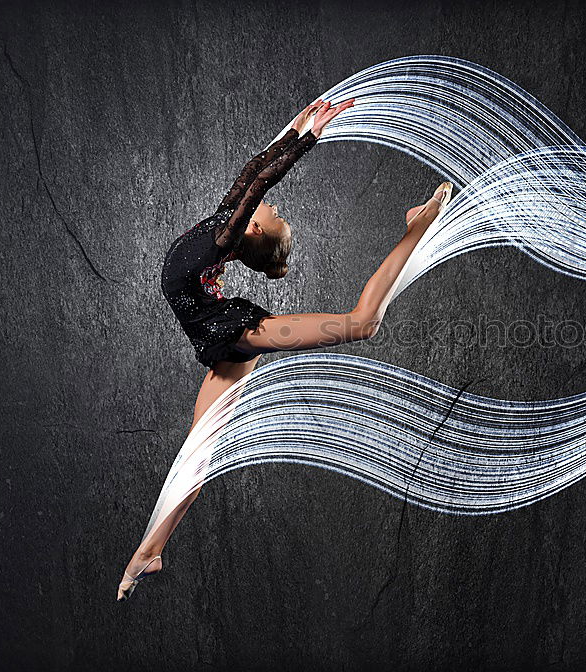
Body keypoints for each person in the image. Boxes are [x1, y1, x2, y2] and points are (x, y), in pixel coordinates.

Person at [117, 98, 453, 600]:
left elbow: (261, 185)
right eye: (273, 214)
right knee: (199, 449)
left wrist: (309, 136)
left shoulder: (228, 233)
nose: (273, 208)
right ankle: (150, 551)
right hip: (218, 333)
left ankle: (416, 227)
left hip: (235, 329)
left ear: (252, 227)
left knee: (364, 323)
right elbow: (256, 172)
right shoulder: (226, 220)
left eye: (271, 215)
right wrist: (296, 130)